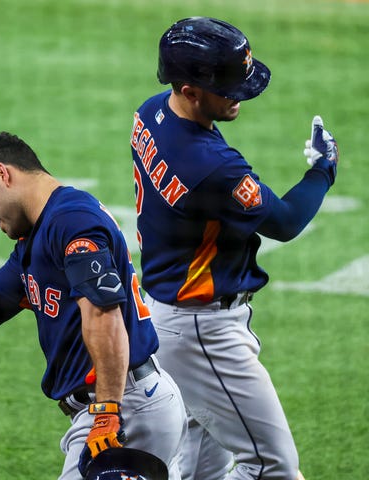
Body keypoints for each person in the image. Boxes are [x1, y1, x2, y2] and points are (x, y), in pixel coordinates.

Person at [0, 131, 187, 479]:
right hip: (126, 404)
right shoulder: (41, 233)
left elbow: (104, 315)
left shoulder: (70, 221)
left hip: (124, 409)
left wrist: (107, 411)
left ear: (3, 173)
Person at [130, 16, 338, 480]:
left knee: (204, 471)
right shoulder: (210, 165)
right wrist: (323, 170)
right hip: (201, 328)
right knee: (273, 467)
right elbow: (284, 223)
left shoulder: (149, 114)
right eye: (227, 87)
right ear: (189, 89)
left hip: (169, 310)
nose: (239, 94)